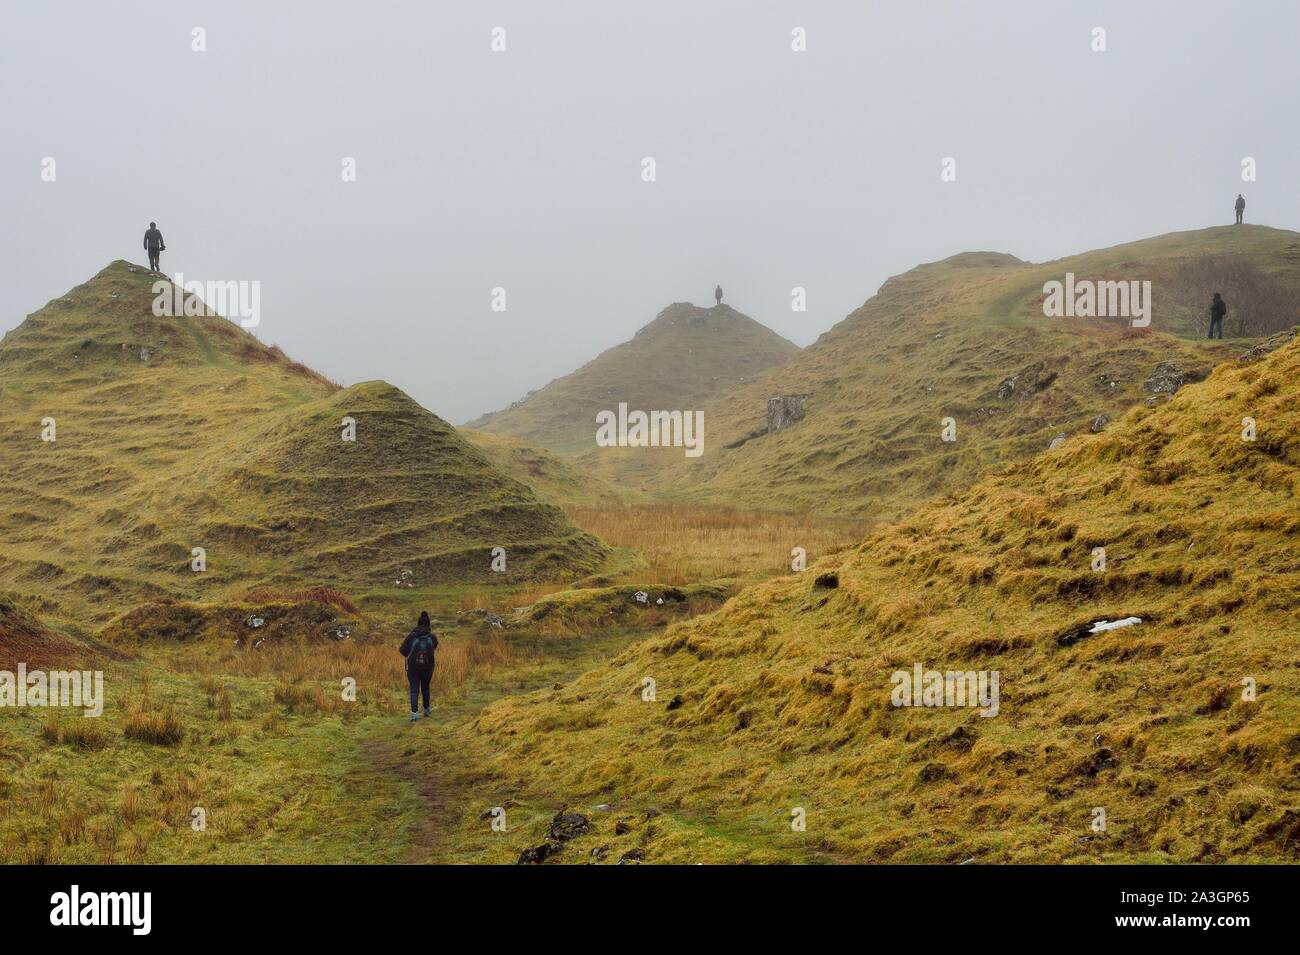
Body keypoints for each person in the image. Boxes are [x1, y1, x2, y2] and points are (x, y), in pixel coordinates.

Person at [399, 611, 438, 721]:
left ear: (418, 623)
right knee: (425, 688)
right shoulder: (432, 637)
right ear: (428, 624)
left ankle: (414, 714)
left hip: (412, 668)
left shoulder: (411, 636)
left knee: (414, 690)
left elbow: (402, 650)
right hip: (428, 667)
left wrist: (410, 654)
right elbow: (434, 647)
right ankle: (426, 710)